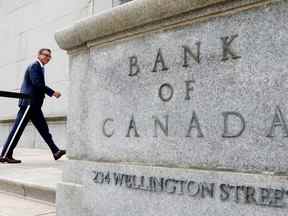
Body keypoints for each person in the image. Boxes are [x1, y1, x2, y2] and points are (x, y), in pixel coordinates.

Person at [0, 48, 66, 163]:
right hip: (28, 104)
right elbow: (37, 83)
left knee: (44, 129)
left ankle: (55, 151)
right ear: (39, 55)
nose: (48, 58)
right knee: (17, 130)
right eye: (45, 55)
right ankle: (5, 155)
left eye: (49, 56)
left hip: (35, 106)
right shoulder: (35, 66)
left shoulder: (40, 67)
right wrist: (52, 92)